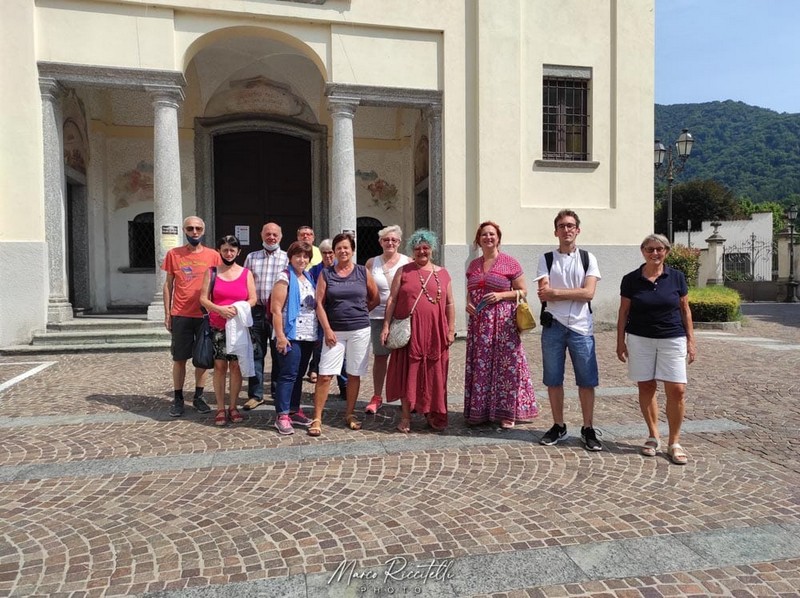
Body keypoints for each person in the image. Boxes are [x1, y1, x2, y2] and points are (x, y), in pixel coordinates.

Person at [616, 234, 696, 465]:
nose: (655, 253)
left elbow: (685, 309)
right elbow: (623, 312)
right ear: (643, 251)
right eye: (650, 249)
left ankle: (674, 442)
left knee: (677, 389)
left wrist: (691, 340)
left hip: (672, 337)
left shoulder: (677, 277)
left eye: (659, 249)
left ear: (667, 252)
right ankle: (653, 435)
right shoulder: (631, 279)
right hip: (640, 339)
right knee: (646, 385)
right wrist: (620, 341)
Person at [536, 209, 603, 451]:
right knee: (553, 379)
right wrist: (566, 293)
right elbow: (544, 293)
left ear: (578, 230)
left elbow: (589, 293)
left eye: (571, 225)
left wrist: (556, 293)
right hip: (553, 326)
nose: (566, 229)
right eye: (562, 226)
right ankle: (558, 425)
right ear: (556, 231)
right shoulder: (546, 259)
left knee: (587, 380)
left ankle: (588, 427)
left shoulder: (588, 258)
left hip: (581, 327)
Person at [464, 221, 538, 428]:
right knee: (481, 366)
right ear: (478, 240)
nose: (488, 238)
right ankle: (481, 410)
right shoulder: (473, 265)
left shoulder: (510, 263)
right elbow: (471, 290)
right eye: (484, 235)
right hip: (479, 325)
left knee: (507, 366)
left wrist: (501, 295)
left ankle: (508, 412)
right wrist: (468, 303)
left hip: (503, 323)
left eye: (492, 234)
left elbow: (523, 291)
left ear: (498, 238)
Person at [382, 229, 455, 433]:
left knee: (434, 374)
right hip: (409, 332)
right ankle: (406, 416)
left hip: (435, 333)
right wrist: (386, 325)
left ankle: (431, 412)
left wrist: (451, 329)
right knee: (409, 373)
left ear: (432, 249)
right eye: (417, 248)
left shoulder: (443, 273)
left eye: (426, 248)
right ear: (412, 251)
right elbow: (392, 299)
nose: (422, 251)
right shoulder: (403, 271)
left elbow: (450, 304)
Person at [308, 233, 379, 436]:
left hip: (359, 330)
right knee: (324, 375)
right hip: (334, 332)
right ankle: (317, 417)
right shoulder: (326, 273)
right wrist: (327, 329)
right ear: (334, 251)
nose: (342, 251)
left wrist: (361, 312)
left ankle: (350, 413)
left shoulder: (362, 272)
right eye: (338, 248)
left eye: (346, 247)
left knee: (354, 374)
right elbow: (319, 303)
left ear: (352, 250)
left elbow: (375, 298)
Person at [161, 216, 221, 417]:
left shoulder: (214, 255)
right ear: (184, 231)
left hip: (204, 315)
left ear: (203, 230)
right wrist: (167, 313)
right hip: (181, 313)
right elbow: (168, 285)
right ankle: (178, 399)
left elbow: (219, 283)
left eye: (198, 228)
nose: (194, 232)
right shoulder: (174, 254)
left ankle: (198, 396)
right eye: (190, 228)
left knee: (202, 359)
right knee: (179, 358)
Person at [199, 235, 257, 426]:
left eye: (232, 250)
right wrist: (219, 309)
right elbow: (203, 299)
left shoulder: (246, 273)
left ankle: (233, 406)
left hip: (239, 327)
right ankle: (220, 408)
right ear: (219, 251)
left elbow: (253, 299)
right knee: (220, 367)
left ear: (238, 252)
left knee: (236, 366)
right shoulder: (211, 272)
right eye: (225, 250)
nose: (229, 253)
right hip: (218, 326)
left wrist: (239, 308)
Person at [270, 241, 318, 435]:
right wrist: (281, 336)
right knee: (288, 374)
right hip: (290, 334)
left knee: (298, 374)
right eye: (298, 256)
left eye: (306, 256)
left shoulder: (308, 276)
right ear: (290, 257)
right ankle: (282, 415)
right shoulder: (284, 277)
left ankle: (294, 409)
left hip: (307, 334)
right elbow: (276, 309)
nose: (302, 259)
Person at [364, 225, 411, 414]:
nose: (390, 243)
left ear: (399, 242)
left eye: (393, 240)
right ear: (380, 242)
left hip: (401, 317)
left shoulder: (408, 262)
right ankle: (377, 396)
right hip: (377, 316)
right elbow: (365, 289)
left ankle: (406, 397)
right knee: (380, 357)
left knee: (404, 359)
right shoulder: (371, 263)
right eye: (386, 240)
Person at [243, 222, 288, 410]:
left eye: (275, 234)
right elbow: (244, 283)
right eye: (268, 234)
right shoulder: (251, 257)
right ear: (261, 235)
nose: (271, 237)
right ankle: (256, 394)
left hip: (278, 312)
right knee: (256, 353)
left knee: (279, 353)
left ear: (281, 236)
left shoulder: (287, 258)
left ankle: (277, 393)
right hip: (257, 311)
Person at [307, 239, 347, 396]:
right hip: (319, 316)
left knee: (342, 352)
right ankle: (321, 383)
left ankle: (344, 385)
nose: (328, 255)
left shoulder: (342, 269)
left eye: (331, 252)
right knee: (319, 350)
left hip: (338, 315)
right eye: (325, 253)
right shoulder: (314, 271)